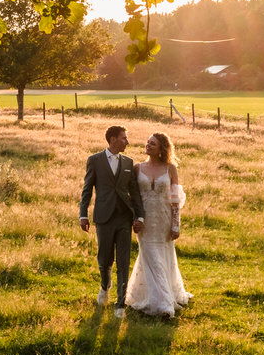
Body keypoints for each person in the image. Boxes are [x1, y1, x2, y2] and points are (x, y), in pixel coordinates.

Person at [79, 125, 144, 318]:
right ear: (113, 139)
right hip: (104, 217)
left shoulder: (128, 162)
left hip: (124, 218)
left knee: (123, 260)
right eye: (124, 138)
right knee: (104, 259)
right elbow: (87, 189)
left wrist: (139, 216)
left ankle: (120, 304)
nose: (127, 142)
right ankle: (104, 285)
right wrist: (83, 214)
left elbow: (135, 193)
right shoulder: (95, 160)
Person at [126, 132, 192, 317]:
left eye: (152, 143)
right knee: (151, 257)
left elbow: (175, 199)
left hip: (163, 219)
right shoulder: (138, 168)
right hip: (145, 221)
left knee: (164, 256)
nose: (148, 145)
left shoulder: (170, 168)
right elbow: (134, 197)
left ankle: (159, 293)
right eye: (147, 142)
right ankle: (163, 304)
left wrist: (176, 224)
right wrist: (135, 218)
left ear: (161, 148)